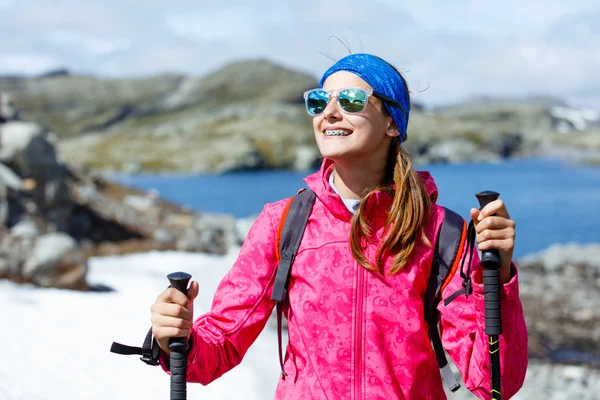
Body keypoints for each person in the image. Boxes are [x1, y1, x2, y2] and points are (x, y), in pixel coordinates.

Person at [150, 53, 528, 399]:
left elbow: (494, 381)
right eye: (319, 101)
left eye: (349, 101)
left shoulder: (442, 232)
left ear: (393, 124)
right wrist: (174, 338)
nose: (328, 113)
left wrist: (500, 274)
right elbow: (218, 348)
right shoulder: (283, 223)